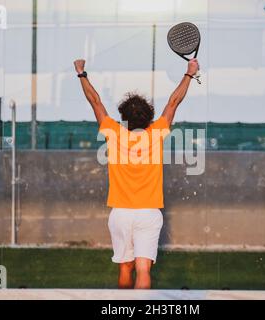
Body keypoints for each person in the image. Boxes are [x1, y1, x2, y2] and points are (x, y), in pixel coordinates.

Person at [74, 58, 199, 289]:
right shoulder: (157, 133)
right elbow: (173, 102)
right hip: (148, 214)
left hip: (120, 214)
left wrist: (81, 73)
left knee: (125, 267)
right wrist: (189, 73)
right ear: (149, 116)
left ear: (124, 117)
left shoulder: (113, 132)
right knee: (143, 269)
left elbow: (95, 101)